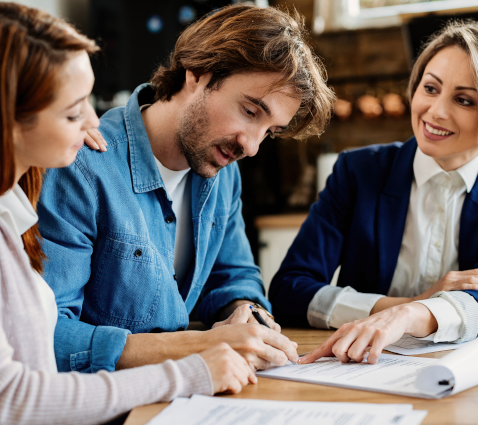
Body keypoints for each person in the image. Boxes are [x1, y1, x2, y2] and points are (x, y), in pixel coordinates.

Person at [0, 4, 256, 424]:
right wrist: (185, 374)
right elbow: (1, 402)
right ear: (5, 118)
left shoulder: (0, 205)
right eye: (73, 111)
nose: (94, 122)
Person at [37, 4, 335, 374]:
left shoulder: (222, 171)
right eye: (250, 111)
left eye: (269, 132)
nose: (252, 146)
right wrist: (198, 345)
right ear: (198, 73)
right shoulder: (81, 166)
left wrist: (246, 311)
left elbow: (233, 276)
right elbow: (47, 337)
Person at [268, 20, 478, 365]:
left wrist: (409, 317)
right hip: (356, 363)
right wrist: (402, 306)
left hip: (458, 375)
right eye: (430, 88)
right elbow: (290, 291)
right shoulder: (358, 172)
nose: (435, 111)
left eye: (464, 100)